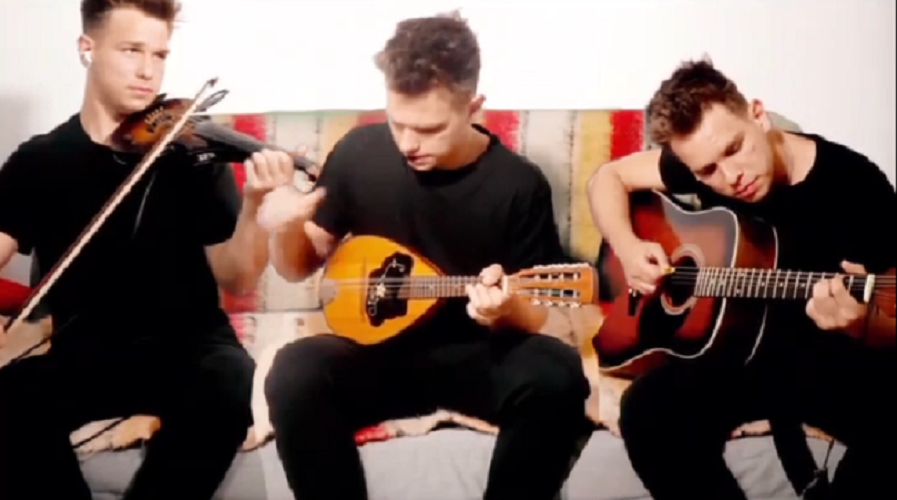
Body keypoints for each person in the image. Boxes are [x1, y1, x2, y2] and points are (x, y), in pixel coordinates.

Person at [256, 11, 591, 500]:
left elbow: (541, 309)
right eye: (398, 124)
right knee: (293, 371)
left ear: (474, 107)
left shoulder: (519, 184)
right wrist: (285, 225)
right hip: (377, 356)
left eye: (430, 129)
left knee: (557, 375)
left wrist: (502, 310)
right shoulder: (359, 151)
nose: (409, 144)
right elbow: (297, 266)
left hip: (479, 358)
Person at [0, 1, 295, 498]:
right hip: (86, 351)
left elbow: (239, 276)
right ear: (87, 48)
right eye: (131, 50)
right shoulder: (40, 160)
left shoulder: (192, 152)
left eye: (159, 55)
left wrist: (255, 207)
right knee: (8, 398)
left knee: (229, 382)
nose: (147, 71)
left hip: (190, 346)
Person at [587, 58, 896, 500]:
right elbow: (608, 177)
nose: (731, 178)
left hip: (830, 359)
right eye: (707, 172)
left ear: (758, 114)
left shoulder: (854, 185)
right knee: (645, 409)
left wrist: (862, 325)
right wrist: (629, 246)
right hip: (740, 353)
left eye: (735, 149)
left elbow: (892, 316)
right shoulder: (703, 157)